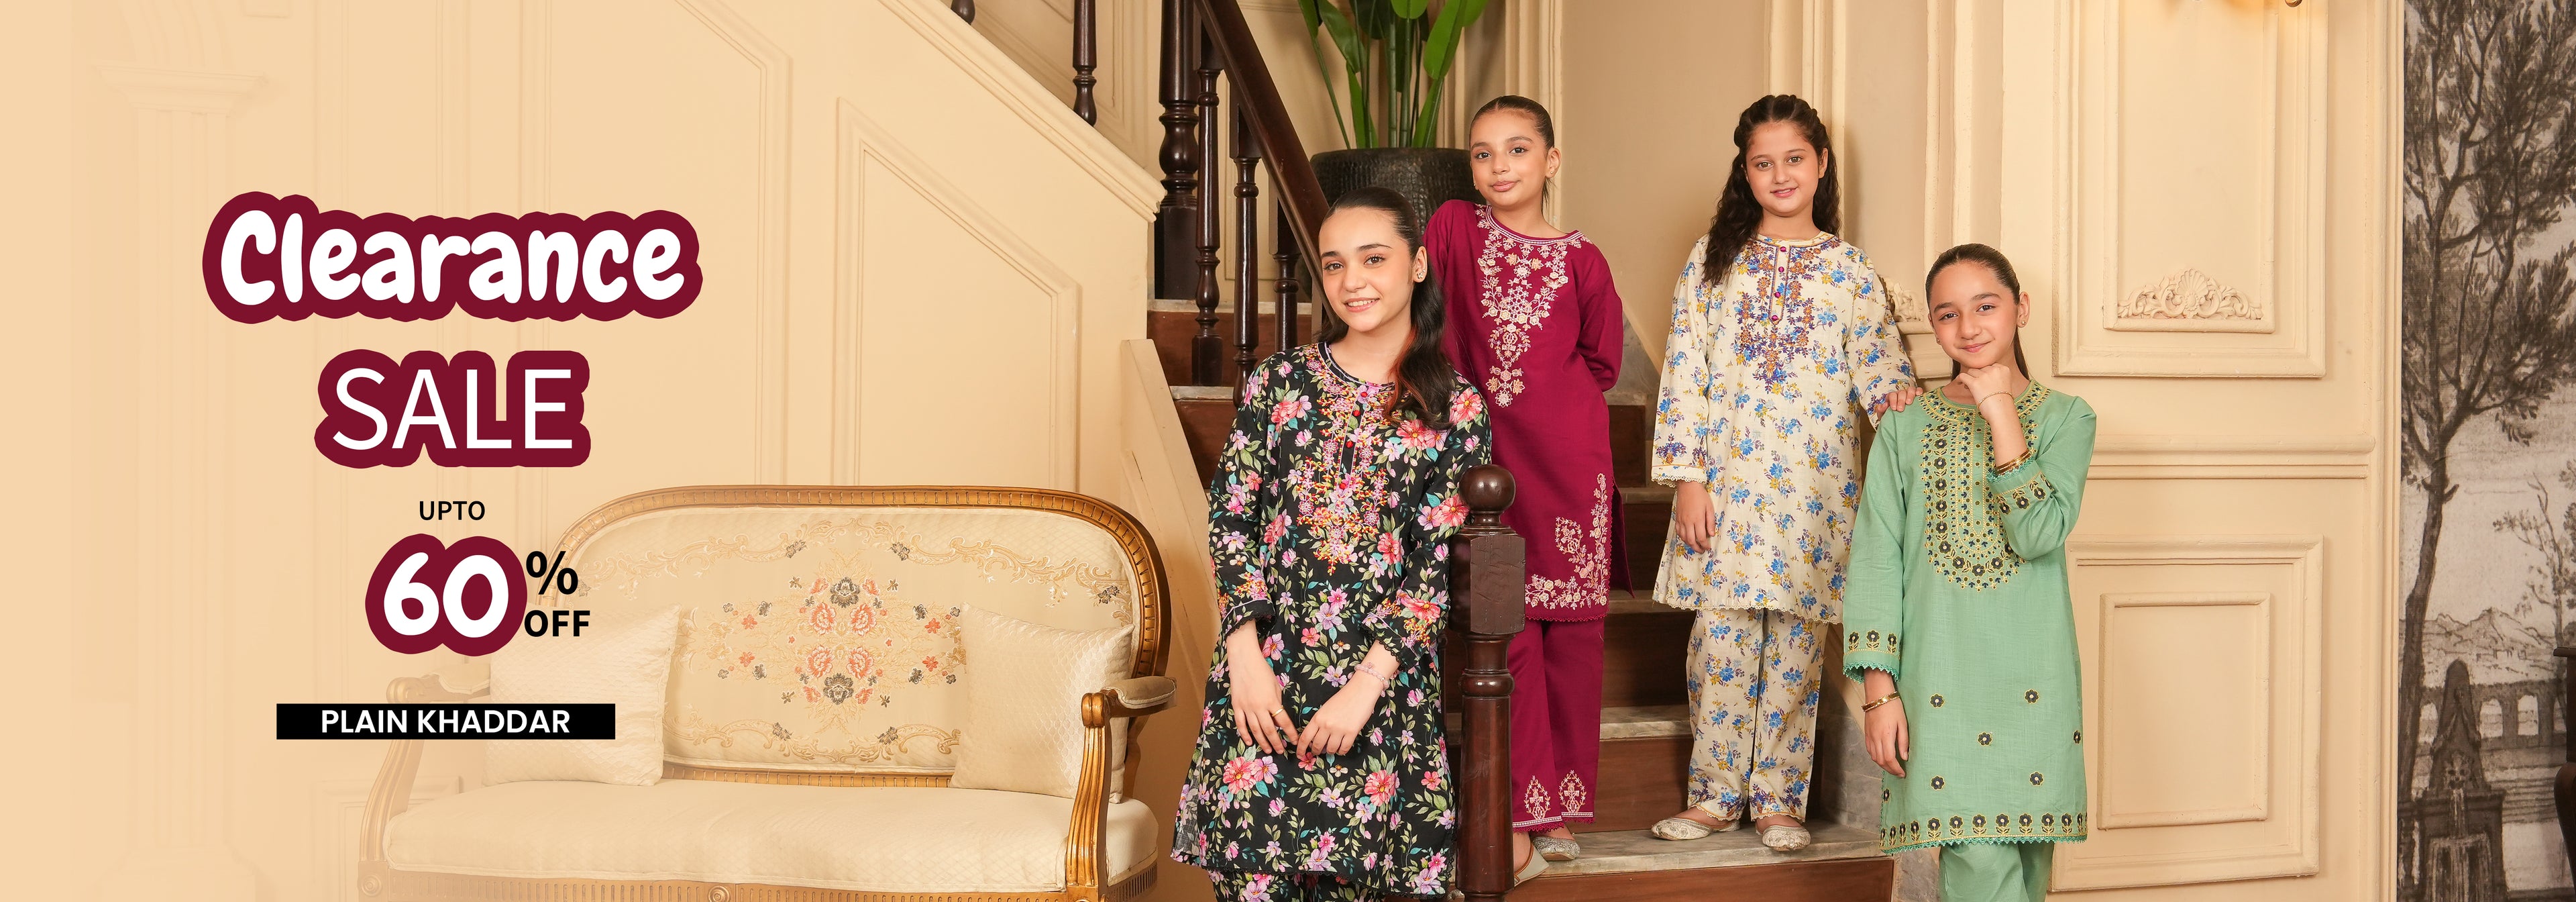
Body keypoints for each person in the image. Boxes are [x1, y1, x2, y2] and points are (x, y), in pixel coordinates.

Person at [1171, 186, 1494, 901]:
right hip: (1266, 688)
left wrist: (1365, 689)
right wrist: (1243, 658)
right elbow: (1231, 520)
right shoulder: (1278, 383)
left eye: (1374, 259)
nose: (1353, 282)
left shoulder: (1456, 407)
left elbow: (1432, 567)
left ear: (1416, 265)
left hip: (1379, 695)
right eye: (1335, 264)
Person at [1647, 93, 1922, 852]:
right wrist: (1688, 479)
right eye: (1763, 163)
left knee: (1797, 653)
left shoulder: (1849, 270)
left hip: (1814, 497)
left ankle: (1778, 801)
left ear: (1821, 164)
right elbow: (1685, 371)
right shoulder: (1714, 259)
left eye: (1794, 159)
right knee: (1720, 645)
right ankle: (1713, 797)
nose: (1780, 175)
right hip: (1726, 493)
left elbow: (1880, 374)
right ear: (1745, 171)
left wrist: (1911, 408)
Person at [1844, 243, 2094, 901]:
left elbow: (2039, 533)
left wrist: (2000, 410)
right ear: (1933, 324)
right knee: (1978, 871)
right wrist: (1879, 693)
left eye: (1986, 306)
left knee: (2029, 878)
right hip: (1940, 686)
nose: (1969, 327)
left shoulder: (2068, 419)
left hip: (2034, 684)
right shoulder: (1905, 425)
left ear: (2021, 309)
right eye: (1948, 314)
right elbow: (1876, 556)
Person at [1426, 94, 1624, 874]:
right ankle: (1523, 803)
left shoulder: (1584, 260)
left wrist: (1549, 408)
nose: (1498, 166)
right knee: (1505, 630)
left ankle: (1563, 808)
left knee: (1571, 637)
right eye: (1482, 153)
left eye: (1516, 149)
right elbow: (1424, 309)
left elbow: (1603, 361)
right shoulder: (1454, 229)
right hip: (1488, 469)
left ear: (1551, 160)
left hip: (1572, 465)